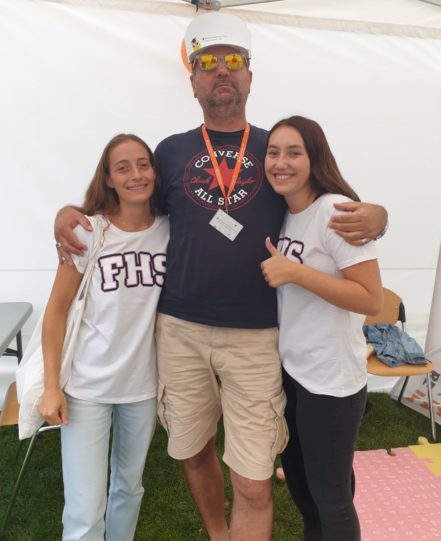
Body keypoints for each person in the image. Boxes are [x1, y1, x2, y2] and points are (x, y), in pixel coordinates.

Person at [53, 13, 387, 541]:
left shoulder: (276, 150)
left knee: (253, 480)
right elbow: (129, 207)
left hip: (256, 336)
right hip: (180, 331)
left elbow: (326, 201)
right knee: (194, 451)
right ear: (192, 82)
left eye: (234, 60)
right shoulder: (169, 152)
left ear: (250, 75)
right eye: (207, 63)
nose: (221, 70)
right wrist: (70, 211)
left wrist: (380, 216)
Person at [40, 134, 169, 541]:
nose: (136, 175)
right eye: (123, 168)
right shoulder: (88, 232)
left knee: (129, 489)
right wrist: (51, 387)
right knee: (84, 512)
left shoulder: (170, 230)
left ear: (155, 171)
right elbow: (55, 312)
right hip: (87, 388)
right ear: (108, 178)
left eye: (143, 164)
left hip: (142, 387)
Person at [261, 115, 383, 541]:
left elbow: (371, 298)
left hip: (331, 382)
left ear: (315, 158)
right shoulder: (285, 212)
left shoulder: (334, 210)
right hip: (294, 374)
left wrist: (296, 273)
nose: (281, 162)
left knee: (331, 499)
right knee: (302, 488)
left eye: (294, 152)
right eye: (273, 152)